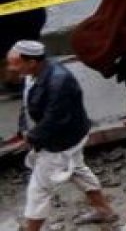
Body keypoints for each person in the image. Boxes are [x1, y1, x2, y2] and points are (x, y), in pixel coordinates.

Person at [9, 40, 118, 229]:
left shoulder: (59, 82)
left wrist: (32, 137)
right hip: (65, 136)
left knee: (39, 189)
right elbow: (27, 105)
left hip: (60, 142)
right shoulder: (33, 74)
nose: (11, 68)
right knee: (77, 169)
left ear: (31, 62)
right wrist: (24, 130)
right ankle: (104, 210)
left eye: (15, 64)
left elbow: (56, 119)